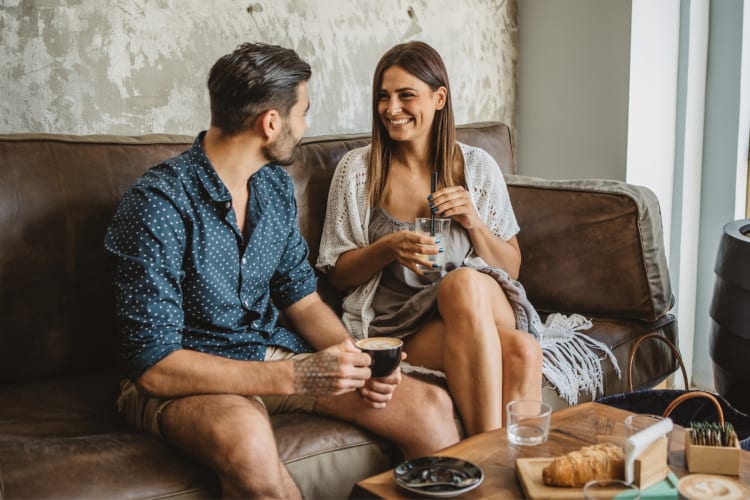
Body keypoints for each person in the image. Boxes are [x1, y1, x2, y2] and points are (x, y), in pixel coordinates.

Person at [104, 42, 459, 499]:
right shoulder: (157, 205)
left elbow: (303, 299)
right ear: (271, 123)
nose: (305, 126)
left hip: (267, 352)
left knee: (428, 407)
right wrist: (294, 376)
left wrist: (359, 358)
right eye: (303, 113)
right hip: (189, 374)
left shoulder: (272, 187)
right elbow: (153, 366)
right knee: (247, 441)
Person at [317, 41, 544, 437]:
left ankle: (481, 460)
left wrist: (472, 221)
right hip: (403, 323)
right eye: (383, 97)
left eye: (406, 96)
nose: (391, 109)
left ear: (439, 98)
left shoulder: (476, 168)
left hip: (478, 303)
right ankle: (503, 470)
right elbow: (337, 274)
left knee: (462, 283)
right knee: (522, 351)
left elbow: (511, 268)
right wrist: (388, 247)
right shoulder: (358, 171)